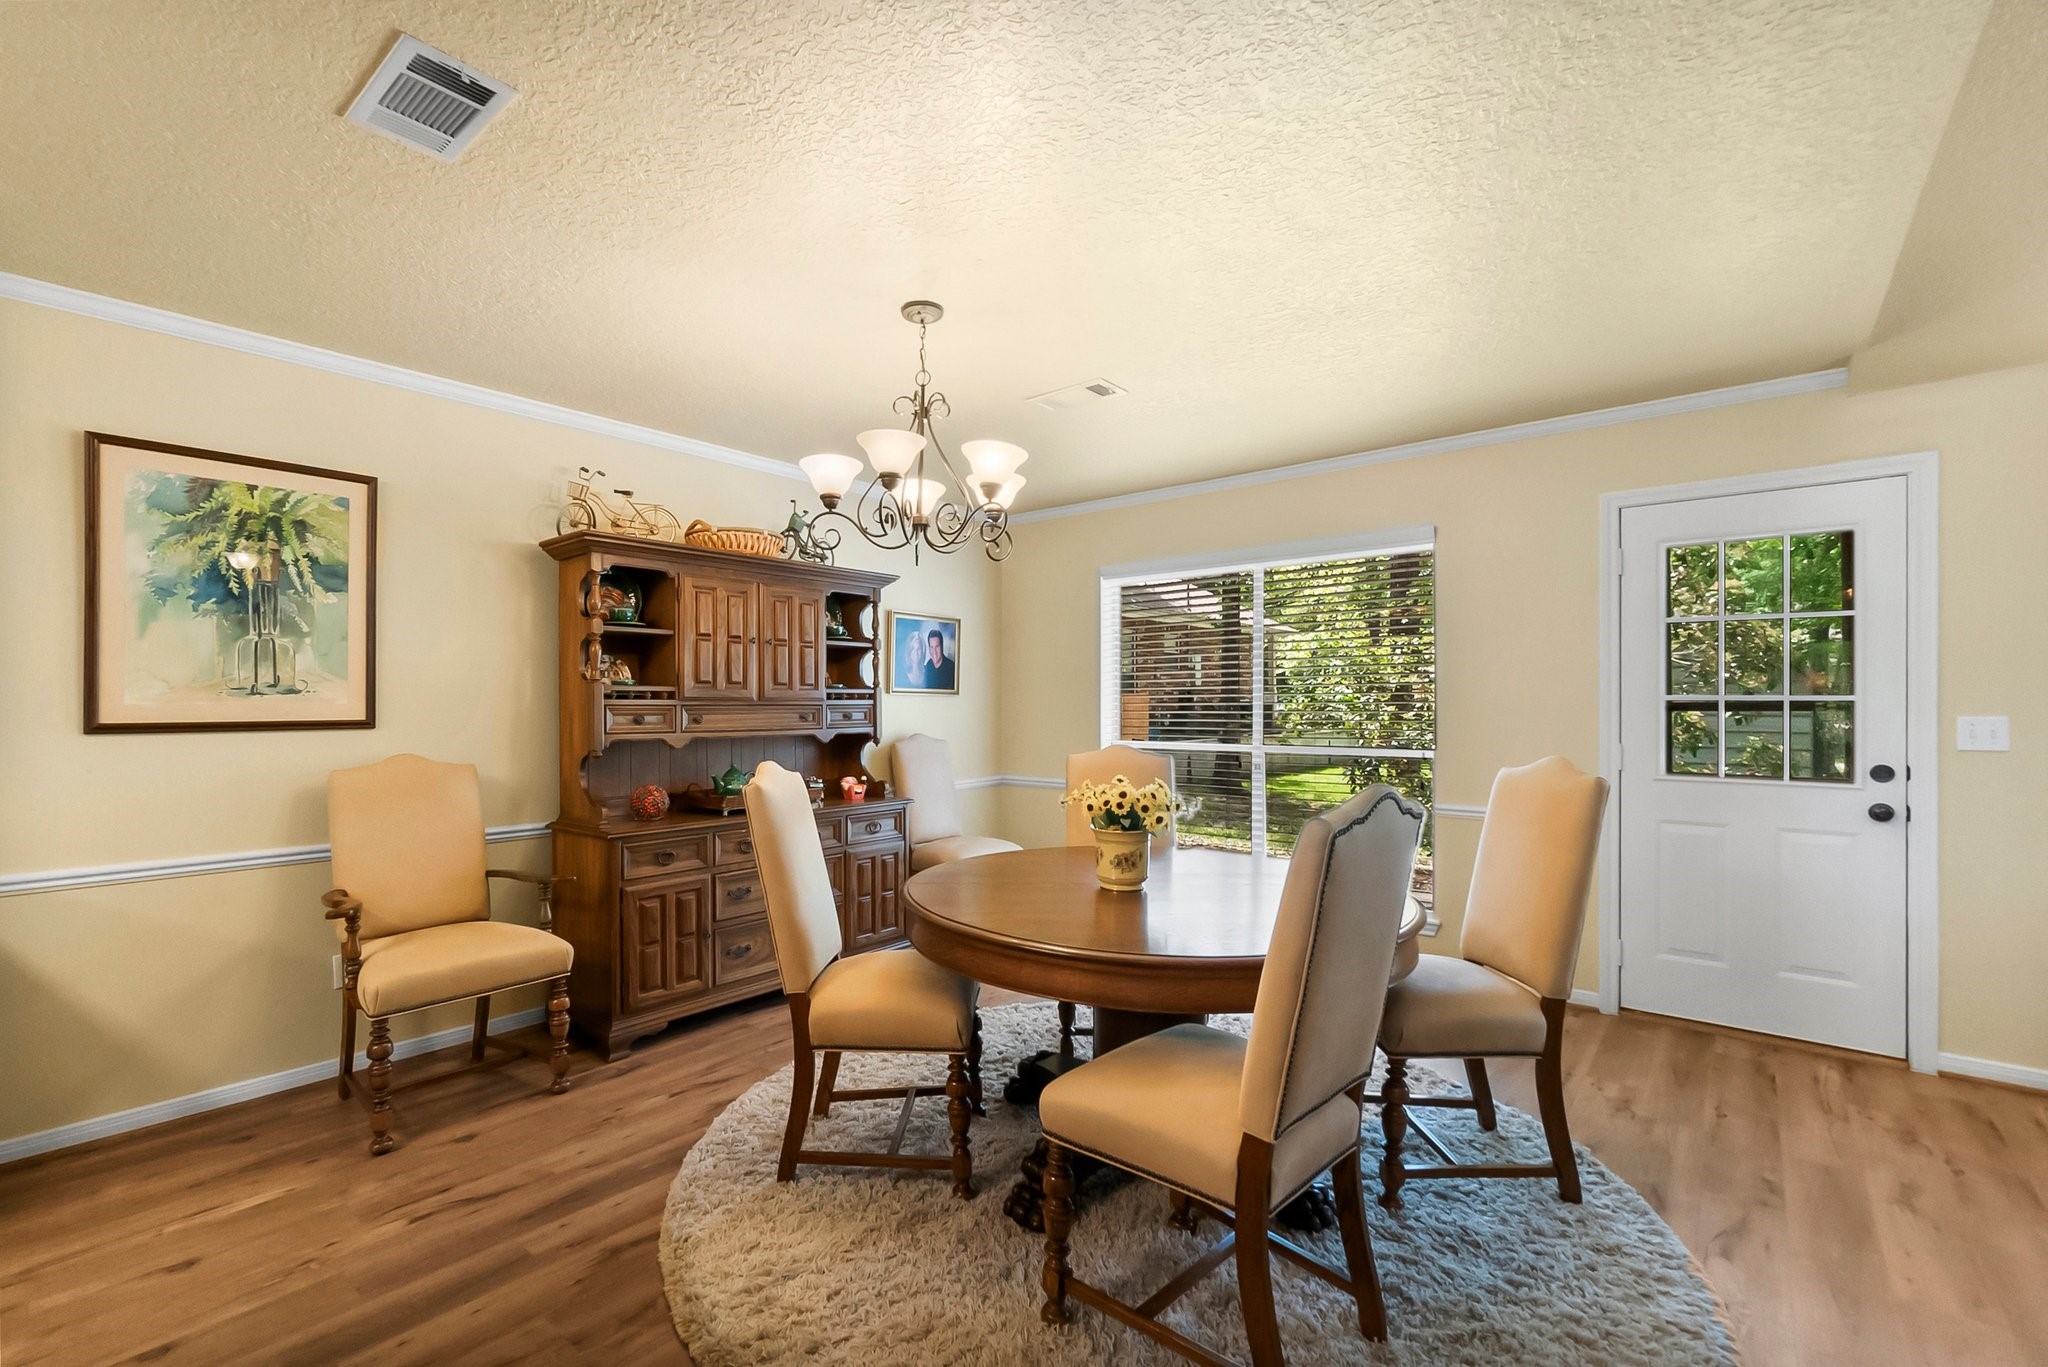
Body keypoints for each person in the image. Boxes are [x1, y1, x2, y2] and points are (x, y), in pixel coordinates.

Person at [922, 627, 956, 691]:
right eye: (931, 647)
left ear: (942, 647)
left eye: (937, 646)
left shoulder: (952, 668)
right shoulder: (927, 667)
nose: (934, 652)